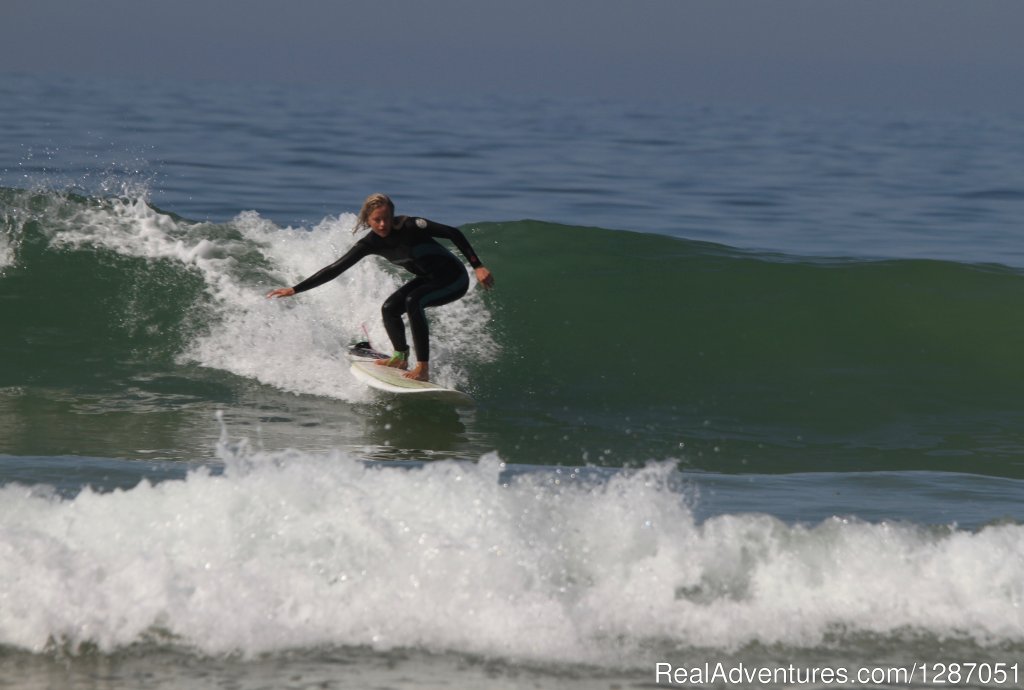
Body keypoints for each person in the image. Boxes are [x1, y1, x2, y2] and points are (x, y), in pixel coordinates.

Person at [267, 193, 495, 382]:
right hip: (429, 278)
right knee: (390, 308)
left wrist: (477, 266)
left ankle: (423, 368)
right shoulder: (370, 243)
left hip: (454, 279)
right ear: (368, 220)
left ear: (392, 214)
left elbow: (453, 233)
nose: (383, 224)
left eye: (386, 218)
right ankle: (400, 357)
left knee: (413, 301)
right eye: (377, 220)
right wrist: (295, 289)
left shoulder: (411, 225)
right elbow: (335, 268)